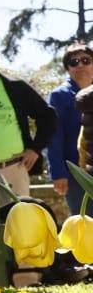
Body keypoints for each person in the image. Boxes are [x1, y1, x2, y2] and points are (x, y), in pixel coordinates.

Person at [0, 36, 55, 199]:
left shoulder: (15, 86)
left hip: (13, 169)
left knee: (19, 221)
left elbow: (48, 116)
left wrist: (35, 148)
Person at [48, 42, 93, 217]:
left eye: (85, 60)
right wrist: (58, 173)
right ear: (68, 69)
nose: (80, 65)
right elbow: (54, 136)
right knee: (85, 222)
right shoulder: (59, 96)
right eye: (74, 62)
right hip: (76, 174)